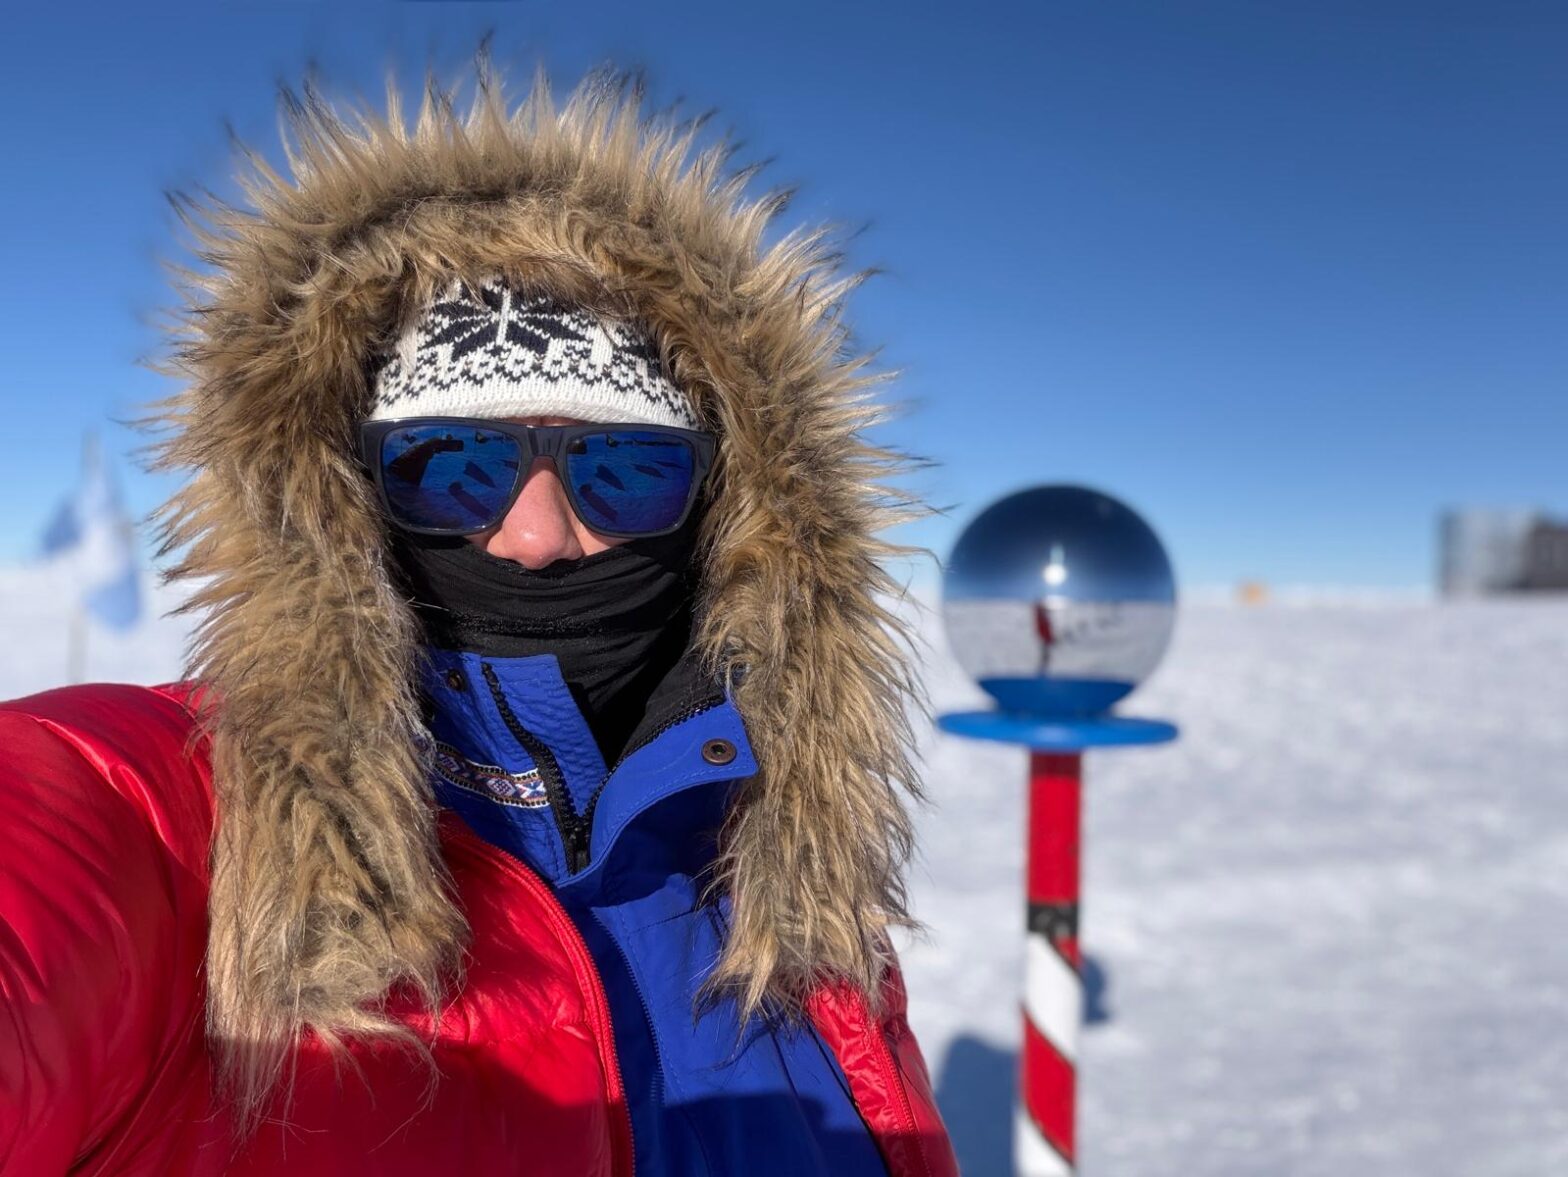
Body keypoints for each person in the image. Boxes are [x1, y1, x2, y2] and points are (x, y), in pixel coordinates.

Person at [0, 49, 958, 1177]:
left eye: (621, 468)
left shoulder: (790, 887)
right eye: (451, 464)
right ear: (346, 494)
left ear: (727, 503)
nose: (539, 534)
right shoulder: (180, 828)